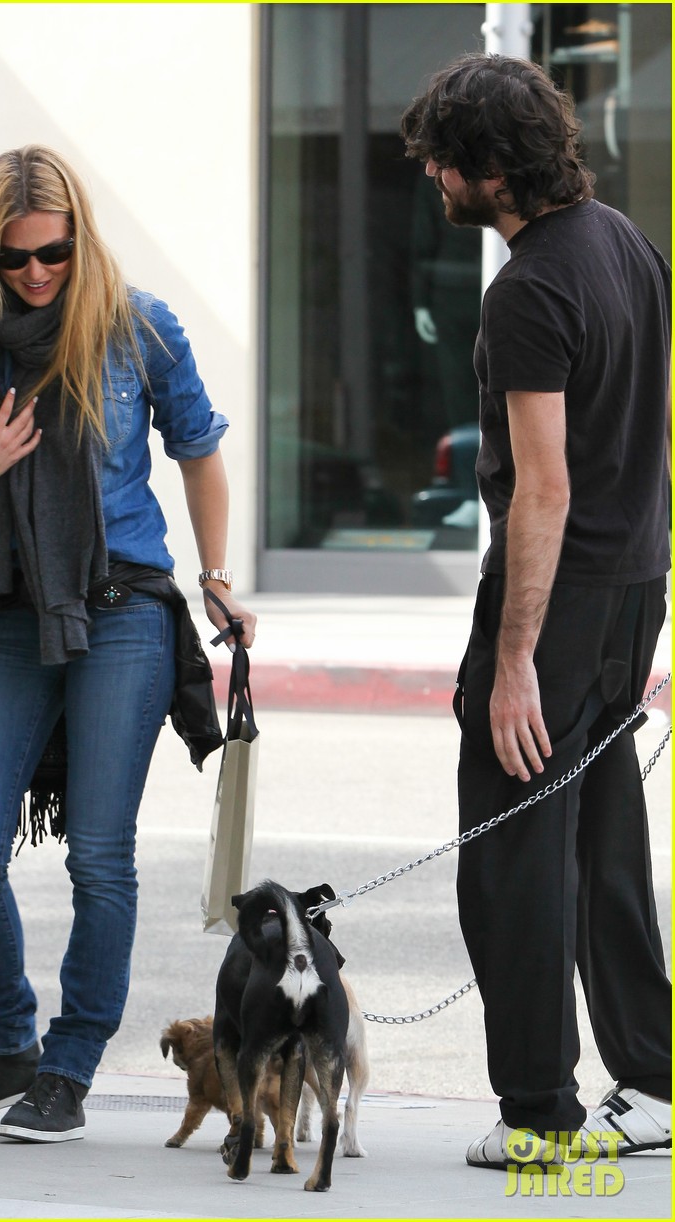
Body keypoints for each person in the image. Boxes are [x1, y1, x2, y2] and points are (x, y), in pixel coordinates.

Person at [0, 145, 255, 1143]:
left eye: (53, 253)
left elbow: (199, 452)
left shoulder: (137, 325)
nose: (35, 274)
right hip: (11, 612)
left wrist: (218, 580)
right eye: (16, 258)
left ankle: (68, 1067)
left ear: (81, 237)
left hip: (123, 612)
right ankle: (6, 1041)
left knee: (100, 857)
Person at [401, 53, 671, 1169]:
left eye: (441, 162)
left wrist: (515, 660)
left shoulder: (527, 289)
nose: (431, 178)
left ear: (491, 173)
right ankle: (655, 1084)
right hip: (631, 588)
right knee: (604, 839)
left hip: (558, 602)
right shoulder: (628, 244)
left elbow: (544, 485)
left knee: (511, 856)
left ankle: (539, 1118)